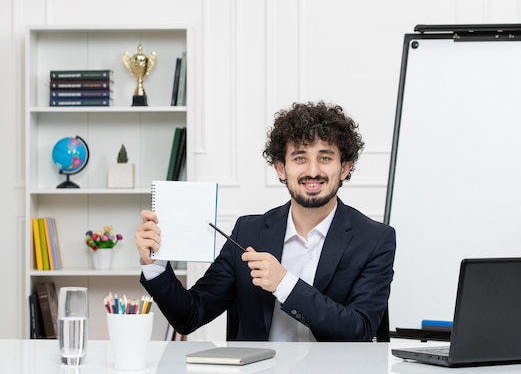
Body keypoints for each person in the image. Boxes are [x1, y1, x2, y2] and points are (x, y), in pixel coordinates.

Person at [135, 101, 396, 341]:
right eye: (300, 158)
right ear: (281, 168)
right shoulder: (248, 232)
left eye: (325, 158)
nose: (313, 171)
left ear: (345, 167)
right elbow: (190, 315)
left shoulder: (375, 239)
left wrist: (284, 283)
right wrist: (155, 264)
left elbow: (359, 331)